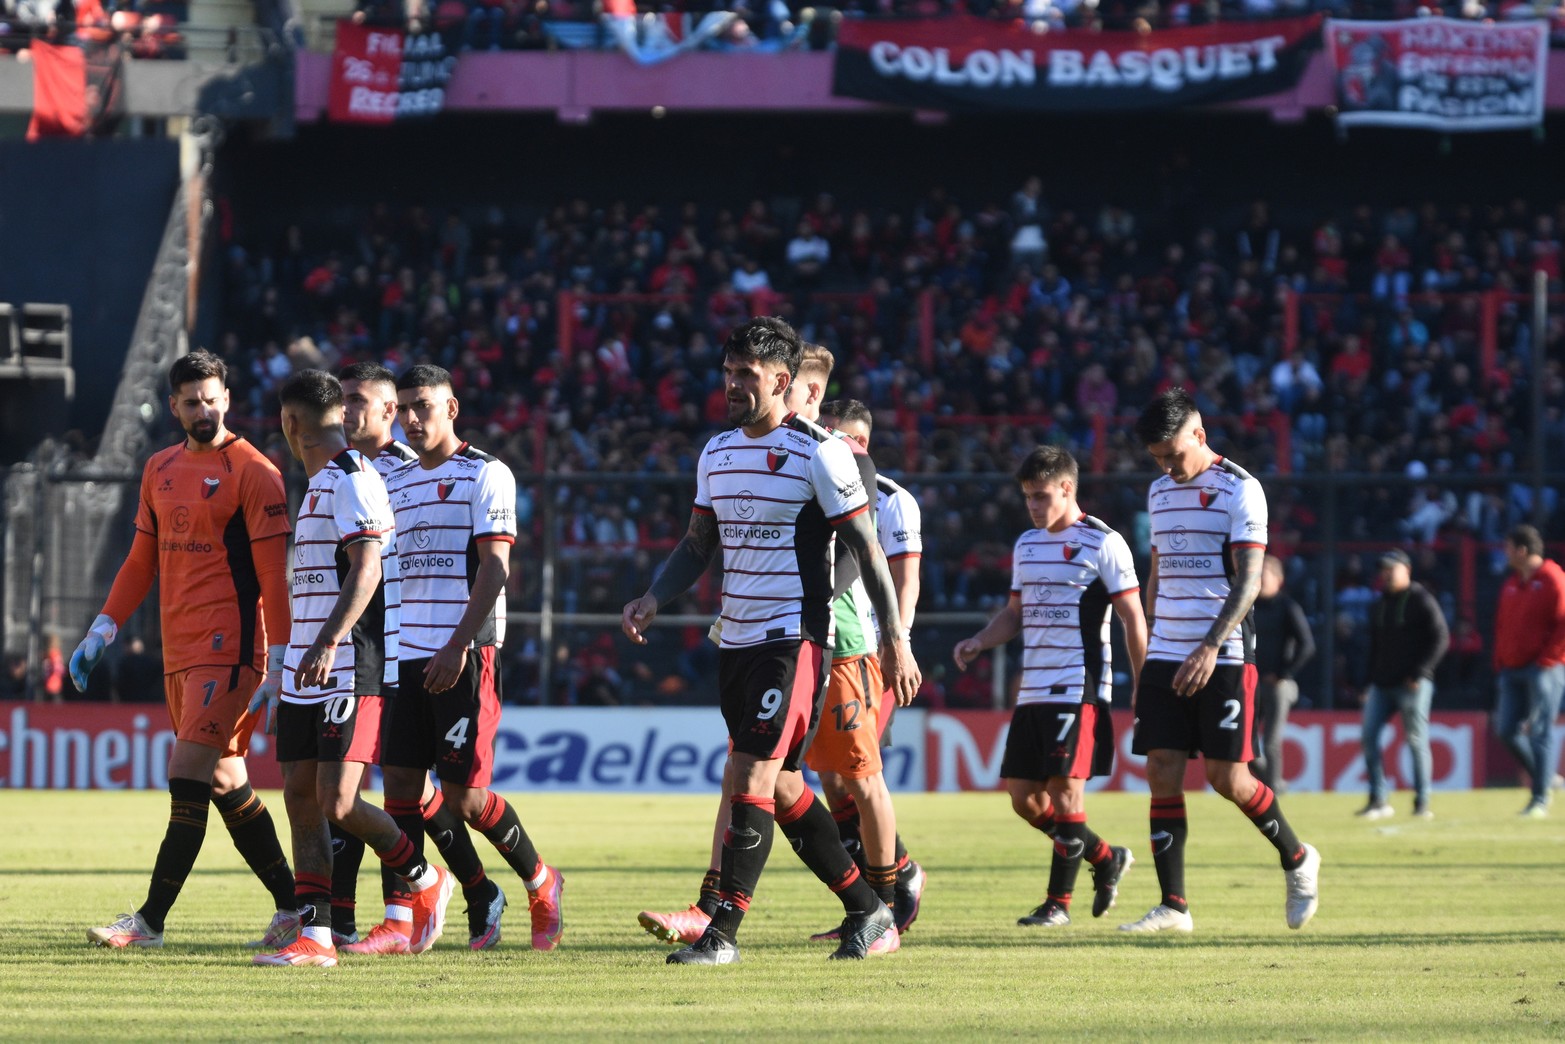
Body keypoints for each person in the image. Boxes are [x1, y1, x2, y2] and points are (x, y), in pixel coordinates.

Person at [622, 317, 921, 964]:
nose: (731, 384)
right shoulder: (716, 451)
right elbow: (698, 543)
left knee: (750, 774)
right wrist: (654, 595)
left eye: (745, 375)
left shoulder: (821, 453)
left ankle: (721, 933)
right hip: (737, 640)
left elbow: (868, 550)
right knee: (781, 787)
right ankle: (869, 912)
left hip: (795, 639)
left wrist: (895, 635)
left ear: (782, 381)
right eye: (728, 372)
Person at [70, 348, 298, 949]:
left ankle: (149, 921)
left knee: (186, 773)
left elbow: (275, 576)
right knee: (225, 781)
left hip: (232, 648)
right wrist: (103, 627)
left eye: (212, 398)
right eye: (191, 400)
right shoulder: (159, 469)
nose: (203, 408)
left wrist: (280, 659)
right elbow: (141, 560)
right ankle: (295, 906)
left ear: (227, 397)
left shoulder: (255, 471)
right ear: (174, 406)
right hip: (181, 648)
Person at [251, 369, 456, 967]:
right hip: (305, 669)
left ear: (291, 424)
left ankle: (424, 880)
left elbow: (367, 568)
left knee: (338, 801)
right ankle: (314, 937)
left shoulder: (354, 479)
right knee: (298, 795)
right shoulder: (317, 484)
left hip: (350, 664)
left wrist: (327, 643)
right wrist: (288, 661)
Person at [378, 364, 564, 952]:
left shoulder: (486, 473)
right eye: (403, 407)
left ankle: (541, 879)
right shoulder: (397, 483)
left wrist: (457, 645)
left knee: (462, 798)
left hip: (466, 652)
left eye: (423, 406)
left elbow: (495, 569)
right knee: (402, 787)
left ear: (452, 409)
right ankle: (415, 912)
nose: (411, 418)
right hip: (406, 654)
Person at [1120, 388, 1319, 934]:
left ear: (1200, 435)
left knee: (1227, 778)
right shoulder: (1160, 491)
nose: (1166, 466)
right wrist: (1155, 642)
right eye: (1157, 458)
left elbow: (1251, 580)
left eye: (1173, 454)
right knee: (1161, 768)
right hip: (1167, 650)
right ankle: (1173, 906)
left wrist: (1209, 645)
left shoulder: (1241, 489)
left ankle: (1299, 859)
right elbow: (1158, 571)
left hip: (1225, 650)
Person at [331, 362, 504, 954]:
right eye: (342, 401)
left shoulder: (417, 472)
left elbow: (479, 569)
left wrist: (465, 642)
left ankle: (493, 886)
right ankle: (394, 915)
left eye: (358, 401)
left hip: (424, 649)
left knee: (441, 797)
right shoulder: (356, 475)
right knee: (386, 787)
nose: (347, 412)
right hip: (384, 651)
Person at [952, 446, 1144, 928]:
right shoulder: (1026, 545)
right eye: (1027, 498)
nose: (1033, 507)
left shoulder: (1103, 543)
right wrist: (980, 640)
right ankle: (1104, 857)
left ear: (1067, 488)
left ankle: (1058, 904)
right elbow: (1015, 614)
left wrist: (1145, 684)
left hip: (1079, 686)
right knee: (1024, 798)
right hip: (1034, 688)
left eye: (1041, 496)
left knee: (1064, 792)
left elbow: (1133, 618)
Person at [1358, 549, 1448, 820]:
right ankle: (1378, 800)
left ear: (1406, 570)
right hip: (1382, 684)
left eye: (1391, 569)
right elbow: (1374, 647)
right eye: (1383, 570)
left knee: (1416, 740)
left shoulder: (1421, 599)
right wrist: (1368, 682)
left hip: (1412, 684)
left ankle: (1422, 802)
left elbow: (1441, 638)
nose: (1385, 574)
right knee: (1368, 737)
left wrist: (1420, 672)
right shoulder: (1379, 605)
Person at [1492, 525, 1565, 817]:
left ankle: (1540, 799)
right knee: (1506, 730)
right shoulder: (1512, 583)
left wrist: (1549, 659)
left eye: (1508, 547)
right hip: (1511, 668)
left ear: (1522, 550)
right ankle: (1546, 778)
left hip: (1543, 669)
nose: (1505, 553)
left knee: (1540, 731)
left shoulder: (1553, 578)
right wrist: (1500, 659)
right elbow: (1503, 626)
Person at [1250, 555, 1315, 791]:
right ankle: (1274, 784)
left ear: (1279, 580)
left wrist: (1283, 674)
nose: (1258, 580)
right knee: (1243, 743)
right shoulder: (1249, 606)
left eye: (1263, 575)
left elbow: (1307, 645)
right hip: (1251, 683)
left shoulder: (1287, 607)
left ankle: (1272, 792)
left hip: (1277, 685)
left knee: (1271, 743)